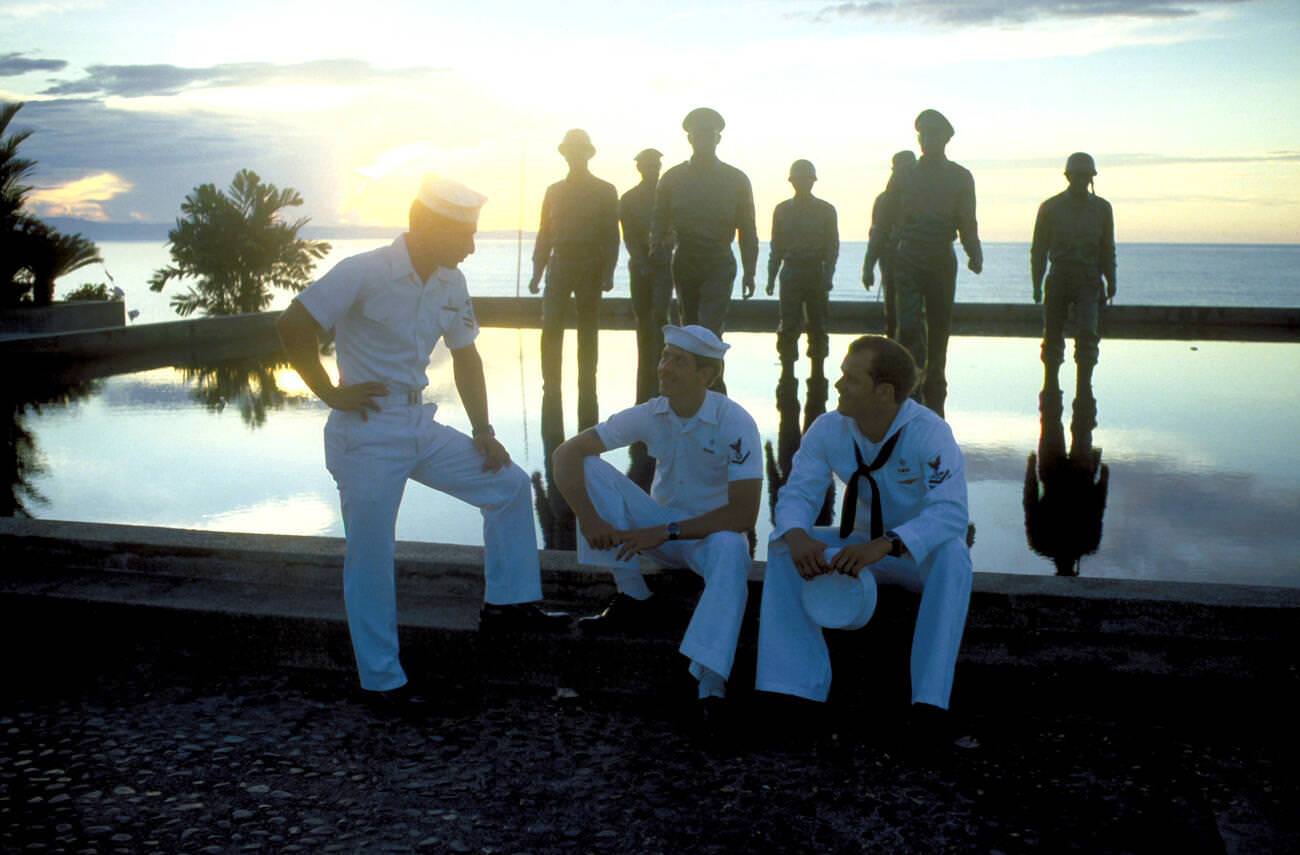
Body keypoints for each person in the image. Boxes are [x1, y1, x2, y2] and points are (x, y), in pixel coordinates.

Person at [277, 174, 568, 711]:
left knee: (506, 486)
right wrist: (328, 393)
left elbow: (467, 356)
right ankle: (382, 683)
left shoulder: (450, 283)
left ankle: (509, 603)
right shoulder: (362, 272)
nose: (473, 246)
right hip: (365, 432)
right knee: (370, 556)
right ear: (428, 226)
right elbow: (293, 325)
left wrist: (484, 431)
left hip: (417, 423)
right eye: (466, 233)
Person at [756, 335, 972, 741]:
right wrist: (799, 535)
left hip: (908, 554)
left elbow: (951, 511)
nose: (837, 385)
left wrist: (886, 544)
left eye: (850, 379)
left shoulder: (929, 433)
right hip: (856, 548)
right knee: (784, 546)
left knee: (954, 555)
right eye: (841, 375)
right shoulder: (828, 428)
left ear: (884, 391)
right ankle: (790, 692)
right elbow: (798, 493)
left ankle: (929, 706)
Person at [551, 325, 762, 716]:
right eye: (664, 356)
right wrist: (589, 518)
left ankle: (709, 684)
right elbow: (565, 454)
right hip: (658, 531)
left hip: (708, 536)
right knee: (587, 463)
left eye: (677, 361)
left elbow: (744, 514)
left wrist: (665, 531)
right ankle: (634, 596)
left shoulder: (736, 422)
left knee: (733, 547)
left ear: (707, 375)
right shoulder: (652, 413)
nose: (663, 367)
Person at [875, 109, 982, 418]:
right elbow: (884, 217)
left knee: (939, 322)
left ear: (945, 139)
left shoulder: (960, 176)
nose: (927, 140)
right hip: (908, 255)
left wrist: (974, 251)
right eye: (923, 135)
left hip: (940, 256)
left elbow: (967, 220)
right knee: (907, 323)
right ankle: (911, 377)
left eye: (934, 135)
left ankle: (936, 374)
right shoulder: (904, 175)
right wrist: (877, 251)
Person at [528, 129, 621, 431]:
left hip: (591, 264)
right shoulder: (553, 191)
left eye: (579, 151)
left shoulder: (605, 190)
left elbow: (611, 235)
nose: (575, 156)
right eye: (571, 151)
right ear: (565, 155)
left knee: (588, 328)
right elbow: (544, 233)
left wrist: (608, 271)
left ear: (587, 155)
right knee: (551, 324)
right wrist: (537, 271)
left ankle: (587, 381)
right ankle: (550, 383)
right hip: (560, 264)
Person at [650, 107, 759, 337]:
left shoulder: (736, 180)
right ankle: (694, 373)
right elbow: (658, 227)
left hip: (718, 261)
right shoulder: (672, 179)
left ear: (718, 139)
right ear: (690, 139)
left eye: (709, 135)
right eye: (699, 136)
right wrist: (656, 261)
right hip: (685, 261)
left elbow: (747, 229)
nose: (704, 141)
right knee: (688, 329)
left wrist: (750, 271)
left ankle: (713, 374)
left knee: (710, 330)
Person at [1031, 152, 1117, 391]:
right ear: (1068, 176)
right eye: (1077, 176)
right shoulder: (1050, 208)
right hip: (1059, 277)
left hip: (1089, 278)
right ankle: (1050, 385)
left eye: (1085, 176)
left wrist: (1111, 280)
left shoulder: (1102, 209)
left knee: (1088, 335)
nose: (1081, 180)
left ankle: (1084, 387)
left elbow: (1107, 248)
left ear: (1091, 178)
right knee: (1052, 337)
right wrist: (1036, 284)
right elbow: (1038, 250)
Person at [767, 159, 839, 372]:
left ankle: (818, 373)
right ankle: (787, 372)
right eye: (799, 179)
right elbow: (776, 246)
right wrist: (771, 276)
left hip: (815, 271)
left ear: (813, 181)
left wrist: (828, 275)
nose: (803, 183)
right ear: (792, 182)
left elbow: (832, 247)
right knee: (788, 324)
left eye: (806, 179)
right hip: (791, 271)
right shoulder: (782, 210)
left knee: (818, 325)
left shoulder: (826, 210)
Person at [620, 147, 675, 404]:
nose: (652, 169)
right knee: (642, 316)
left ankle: (664, 362)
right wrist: (641, 261)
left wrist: (663, 250)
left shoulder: (670, 196)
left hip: (664, 264)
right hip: (640, 265)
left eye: (655, 165)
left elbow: (675, 229)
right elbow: (628, 234)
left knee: (660, 315)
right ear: (640, 168)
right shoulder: (629, 198)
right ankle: (646, 365)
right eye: (648, 165)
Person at [862, 150, 917, 340]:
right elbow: (876, 235)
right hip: (892, 263)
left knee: (915, 317)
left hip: (918, 263)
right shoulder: (884, 200)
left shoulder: (923, 198)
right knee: (893, 313)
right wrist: (868, 268)